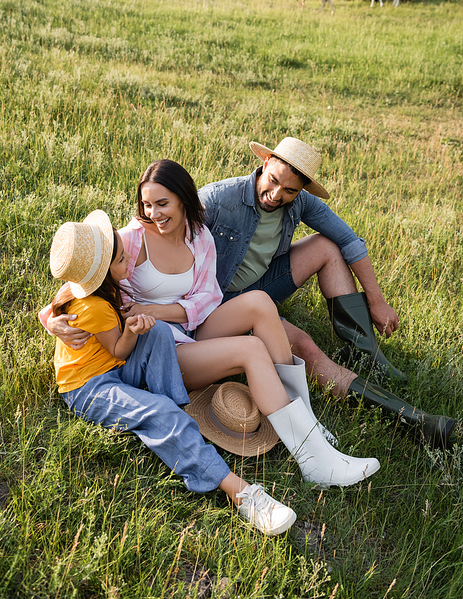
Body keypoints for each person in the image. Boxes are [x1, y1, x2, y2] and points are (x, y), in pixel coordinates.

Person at [42, 163, 381, 489]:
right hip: (158, 348)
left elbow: (207, 297)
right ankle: (312, 458)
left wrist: (160, 310)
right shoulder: (131, 238)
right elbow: (78, 284)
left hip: (188, 326)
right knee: (250, 349)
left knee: (261, 304)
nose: (154, 213)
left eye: (163, 204)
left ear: (184, 200)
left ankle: (307, 422)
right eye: (147, 205)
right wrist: (51, 320)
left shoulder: (199, 236)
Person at [48, 208, 297, 536]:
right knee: (160, 410)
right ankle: (241, 493)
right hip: (88, 388)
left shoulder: (100, 287)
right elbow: (117, 348)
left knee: (161, 332)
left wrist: (137, 328)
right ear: (102, 274)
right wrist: (127, 332)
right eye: (122, 260)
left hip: (115, 365)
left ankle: (181, 426)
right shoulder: (92, 304)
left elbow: (60, 308)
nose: (130, 261)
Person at [198, 137, 454, 448]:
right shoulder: (218, 198)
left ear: (301, 190)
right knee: (305, 346)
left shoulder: (300, 203)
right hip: (219, 304)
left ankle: (366, 356)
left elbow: (350, 242)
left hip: (258, 286)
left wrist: (377, 301)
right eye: (273, 181)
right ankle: (411, 420)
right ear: (265, 164)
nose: (275, 195)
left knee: (327, 246)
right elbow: (164, 231)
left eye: (289, 190)